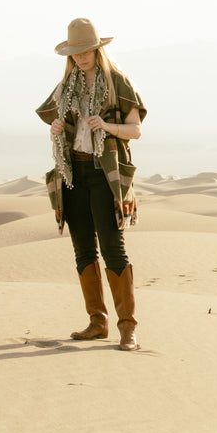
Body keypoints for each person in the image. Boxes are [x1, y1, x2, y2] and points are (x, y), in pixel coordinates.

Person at [35, 18, 146, 350]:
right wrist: (56, 128)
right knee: (83, 249)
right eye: (75, 53)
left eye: (86, 51)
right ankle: (97, 321)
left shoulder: (117, 83)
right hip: (74, 174)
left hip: (105, 174)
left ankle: (128, 327)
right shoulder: (67, 86)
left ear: (98, 49)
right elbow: (63, 125)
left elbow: (135, 130)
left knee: (113, 248)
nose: (81, 58)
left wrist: (108, 127)